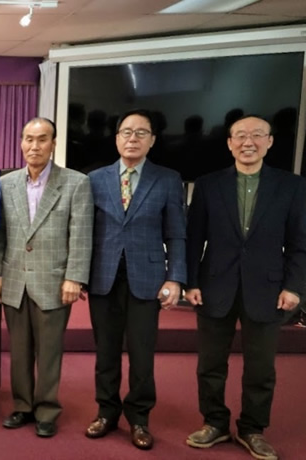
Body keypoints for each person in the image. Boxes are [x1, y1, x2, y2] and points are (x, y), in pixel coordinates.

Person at [184, 115, 306, 460]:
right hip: (213, 287)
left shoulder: (292, 186)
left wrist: (294, 287)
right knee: (210, 364)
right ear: (229, 143)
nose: (247, 142)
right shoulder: (208, 185)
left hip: (268, 290)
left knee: (261, 368)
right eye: (240, 135)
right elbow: (194, 239)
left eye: (256, 135)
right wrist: (191, 282)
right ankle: (215, 423)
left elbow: (301, 244)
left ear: (269, 141)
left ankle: (253, 428)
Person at [85, 109, 186, 450]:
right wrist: (78, 275)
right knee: (106, 352)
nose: (133, 138)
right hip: (103, 277)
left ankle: (140, 418)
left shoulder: (168, 179)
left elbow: (176, 233)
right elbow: (84, 231)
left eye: (141, 132)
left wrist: (175, 277)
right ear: (116, 138)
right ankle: (106, 412)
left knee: (142, 355)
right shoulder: (95, 179)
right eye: (126, 132)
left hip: (147, 278)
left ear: (152, 140)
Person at [0, 117, 93, 438]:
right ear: (21, 143)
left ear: (53, 143)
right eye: (29, 139)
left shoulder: (76, 183)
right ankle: (22, 406)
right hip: (15, 279)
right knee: (19, 351)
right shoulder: (6, 183)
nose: (34, 146)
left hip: (54, 281)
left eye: (42, 139)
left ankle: (47, 410)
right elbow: (0, 236)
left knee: (49, 352)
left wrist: (74, 277)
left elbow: (81, 235)